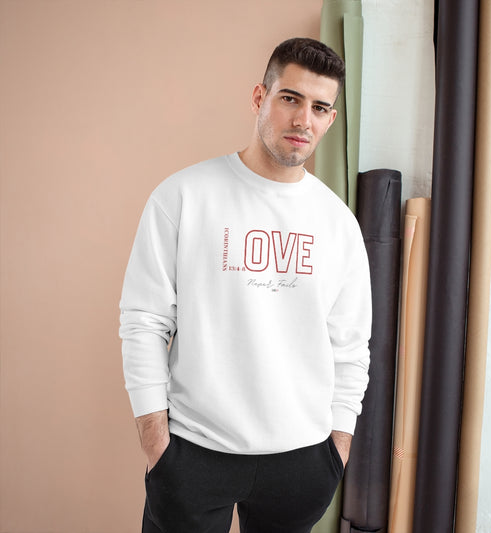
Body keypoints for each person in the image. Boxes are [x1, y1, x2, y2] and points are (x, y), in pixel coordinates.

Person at [119, 37, 372, 533]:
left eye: (320, 108)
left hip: (303, 460)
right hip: (193, 452)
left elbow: (351, 347)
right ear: (260, 97)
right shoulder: (184, 196)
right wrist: (156, 441)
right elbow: (144, 321)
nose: (303, 120)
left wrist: (336, 450)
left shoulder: (338, 223)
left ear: (330, 120)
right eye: (290, 98)